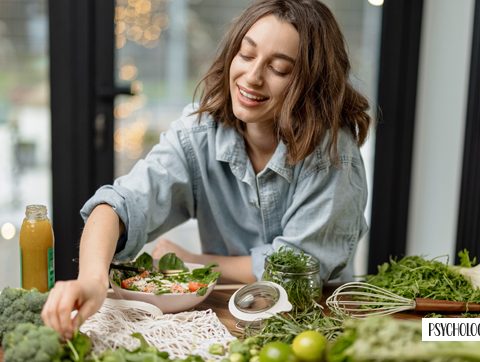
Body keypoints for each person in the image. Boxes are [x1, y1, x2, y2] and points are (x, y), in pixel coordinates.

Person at [42, 0, 371, 339]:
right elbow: (119, 205)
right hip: (229, 320)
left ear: (311, 84)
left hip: (318, 323)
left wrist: (195, 260)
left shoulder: (333, 154)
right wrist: (92, 281)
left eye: (280, 69)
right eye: (246, 54)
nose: (253, 77)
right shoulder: (199, 132)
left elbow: (294, 269)